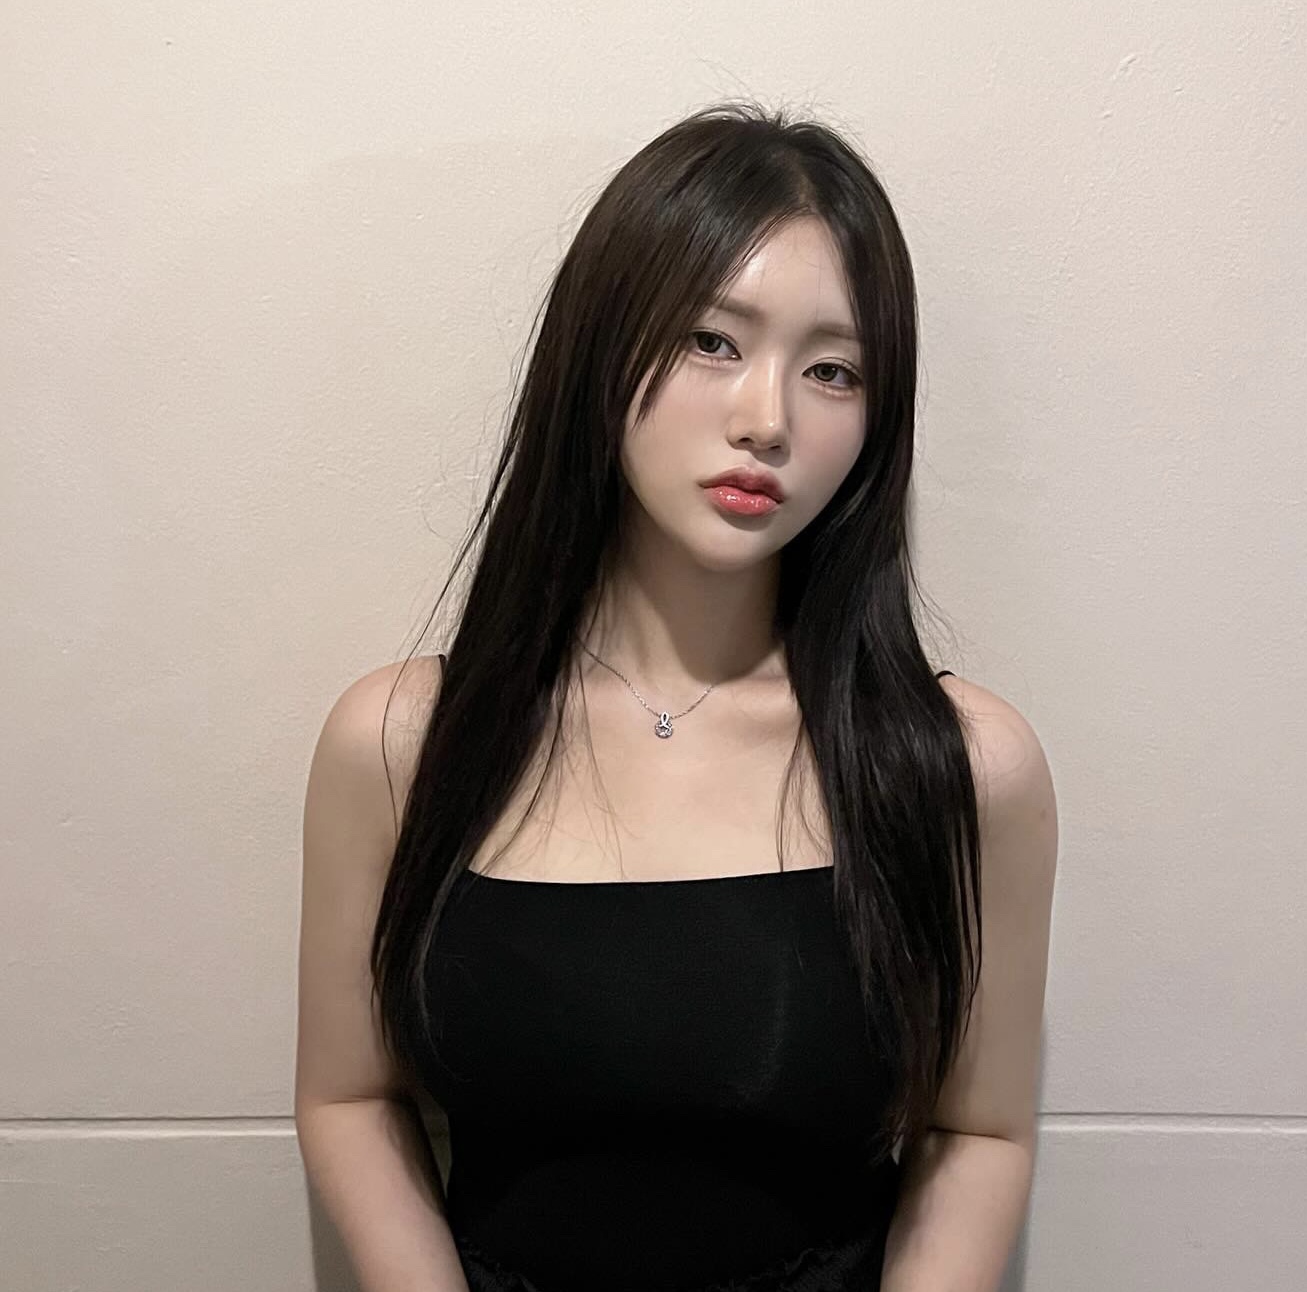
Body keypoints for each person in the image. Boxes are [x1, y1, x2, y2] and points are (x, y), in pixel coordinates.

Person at [294, 100, 1058, 1292]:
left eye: (833, 368)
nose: (766, 418)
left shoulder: (958, 766)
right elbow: (347, 1095)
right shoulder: (401, 744)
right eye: (711, 340)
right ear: (600, 347)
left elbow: (978, 1127)